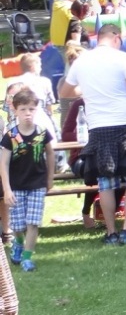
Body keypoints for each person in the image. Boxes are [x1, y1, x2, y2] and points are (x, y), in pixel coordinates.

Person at [58, 23, 126, 246]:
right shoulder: (122, 58)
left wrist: (87, 90)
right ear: (116, 37)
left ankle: (111, 233)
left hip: (98, 127)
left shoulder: (81, 61)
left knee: (106, 182)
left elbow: (64, 93)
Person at [0, 89, 52, 271]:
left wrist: (49, 178)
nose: (27, 113)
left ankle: (27, 258)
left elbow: (50, 154)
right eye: (23, 109)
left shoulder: (42, 133)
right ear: (15, 110)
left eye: (31, 109)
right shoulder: (11, 137)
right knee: (18, 225)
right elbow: (3, 163)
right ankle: (18, 243)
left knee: (33, 222)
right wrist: (6, 189)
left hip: (36, 184)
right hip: (16, 186)